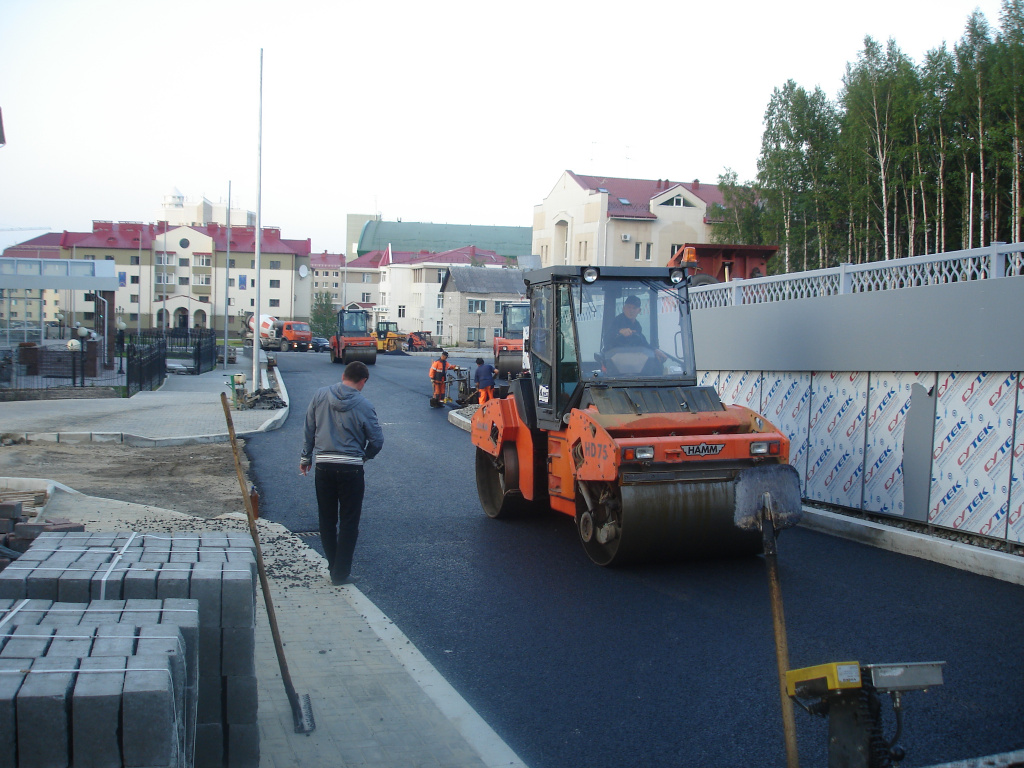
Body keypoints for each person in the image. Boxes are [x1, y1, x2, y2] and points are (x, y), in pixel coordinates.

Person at [300, 360, 384, 586]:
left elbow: (309, 427)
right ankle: (341, 572)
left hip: (324, 466)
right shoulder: (365, 405)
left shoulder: (320, 395)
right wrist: (364, 456)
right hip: (351, 469)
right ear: (363, 381)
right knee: (349, 521)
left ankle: (332, 565)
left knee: (326, 520)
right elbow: (377, 440)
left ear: (344, 375)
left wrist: (306, 457)